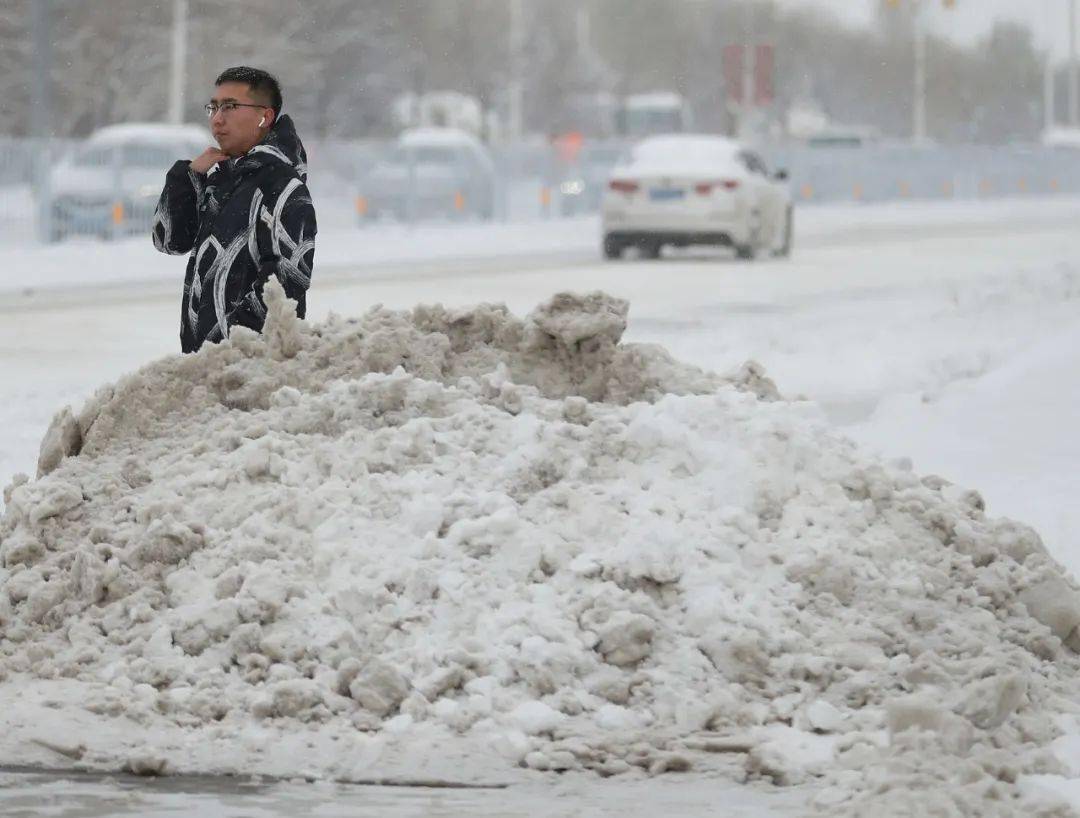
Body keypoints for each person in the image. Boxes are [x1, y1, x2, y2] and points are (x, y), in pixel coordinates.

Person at [152, 66, 316, 353]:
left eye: (229, 107)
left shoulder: (282, 188)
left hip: (250, 369)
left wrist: (224, 349)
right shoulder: (223, 180)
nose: (217, 119)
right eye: (213, 108)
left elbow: (283, 290)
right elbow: (169, 242)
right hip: (208, 365)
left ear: (265, 116)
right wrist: (187, 179)